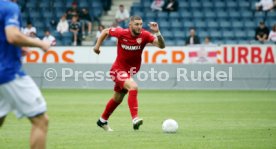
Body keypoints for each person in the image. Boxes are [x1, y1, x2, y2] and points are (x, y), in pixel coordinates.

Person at [93, 16, 165, 131]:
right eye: (136, 24)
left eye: (141, 24)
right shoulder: (121, 33)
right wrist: (97, 47)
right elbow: (105, 31)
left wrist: (157, 33)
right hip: (117, 70)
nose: (139, 27)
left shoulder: (145, 35)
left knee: (117, 98)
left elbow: (162, 46)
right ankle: (135, 118)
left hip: (128, 72)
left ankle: (102, 120)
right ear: (130, 25)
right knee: (133, 87)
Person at [0, 0, 50, 149]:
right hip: (8, 72)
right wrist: (39, 43)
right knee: (41, 120)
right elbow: (12, 36)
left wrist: (15, 49)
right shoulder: (9, 7)